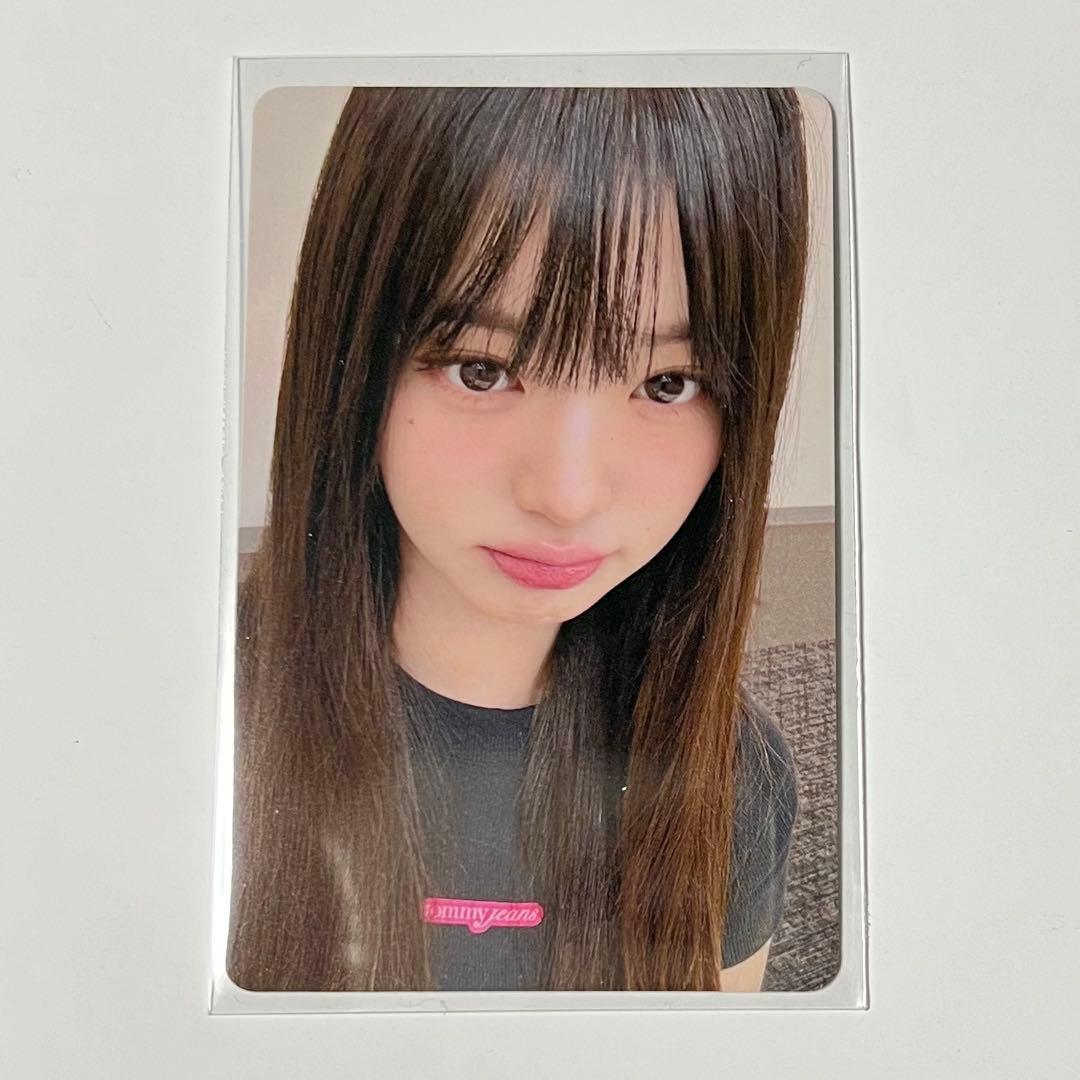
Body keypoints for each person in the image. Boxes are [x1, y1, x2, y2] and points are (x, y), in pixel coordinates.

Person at [227, 86, 809, 994]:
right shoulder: (172, 724)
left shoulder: (732, 776)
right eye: (482, 369)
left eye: (668, 383)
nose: (567, 497)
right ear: (355, 357)